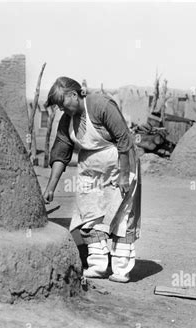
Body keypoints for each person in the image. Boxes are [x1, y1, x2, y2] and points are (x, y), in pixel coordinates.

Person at [42, 77, 141, 283]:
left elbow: (124, 139)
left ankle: (121, 268)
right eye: (58, 106)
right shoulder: (66, 120)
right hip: (91, 172)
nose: (61, 108)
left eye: (62, 102)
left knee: (121, 215)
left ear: (74, 94)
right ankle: (98, 264)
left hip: (119, 167)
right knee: (89, 214)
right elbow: (61, 153)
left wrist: (123, 175)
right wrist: (50, 187)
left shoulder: (100, 105)